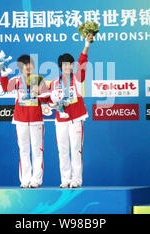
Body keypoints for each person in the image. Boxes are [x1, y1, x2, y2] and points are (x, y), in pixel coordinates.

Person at [48, 33, 93, 188]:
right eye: (65, 64)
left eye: (70, 64)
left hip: (76, 120)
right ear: (60, 66)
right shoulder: (54, 83)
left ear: (73, 66)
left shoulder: (78, 78)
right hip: (60, 121)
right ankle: (65, 179)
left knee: (76, 149)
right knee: (63, 151)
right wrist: (54, 105)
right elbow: (50, 102)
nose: (68, 67)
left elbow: (83, 61)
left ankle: (77, 180)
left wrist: (87, 44)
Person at [0, 54, 49, 188]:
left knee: (37, 151)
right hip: (20, 120)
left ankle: (36, 180)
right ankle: (25, 179)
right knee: (24, 150)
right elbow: (5, 88)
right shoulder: (15, 80)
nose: (27, 67)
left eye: (29, 64)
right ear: (20, 67)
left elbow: (46, 99)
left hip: (36, 120)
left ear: (33, 65)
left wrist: (39, 92)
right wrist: (3, 75)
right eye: (24, 65)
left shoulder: (39, 79)